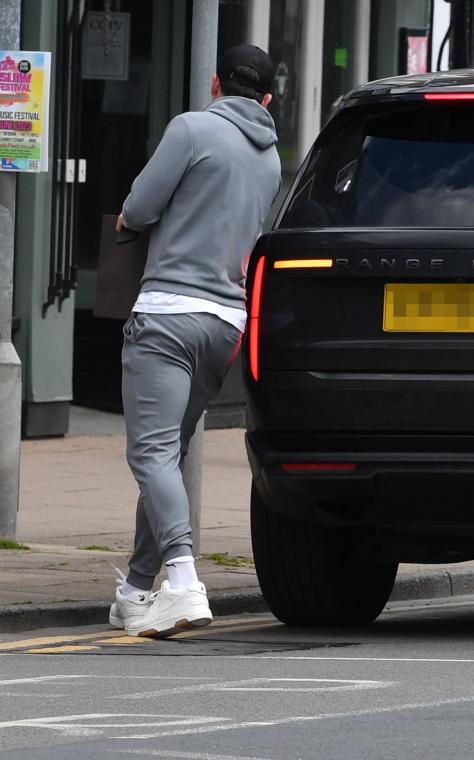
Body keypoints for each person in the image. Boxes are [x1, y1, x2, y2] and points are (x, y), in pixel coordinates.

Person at [110, 44, 281, 637]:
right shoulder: (271, 159)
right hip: (224, 326)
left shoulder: (192, 128)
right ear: (265, 98)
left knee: (150, 456)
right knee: (167, 458)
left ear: (214, 83)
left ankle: (182, 580)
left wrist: (130, 223)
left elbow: (140, 205)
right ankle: (135, 591)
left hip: (168, 318)